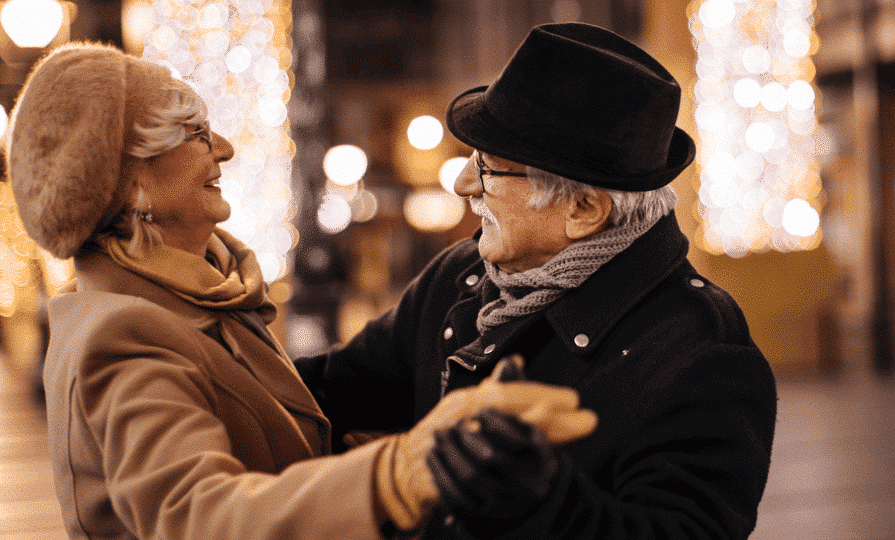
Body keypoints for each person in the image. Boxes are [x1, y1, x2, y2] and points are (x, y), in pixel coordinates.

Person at [7, 42, 596, 540]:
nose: (225, 149)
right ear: (135, 185)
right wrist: (401, 472)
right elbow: (199, 516)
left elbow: (289, 439)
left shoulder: (202, 296)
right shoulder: (126, 334)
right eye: (194, 134)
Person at [295, 23, 778, 539]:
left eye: (488, 168)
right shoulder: (461, 278)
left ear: (583, 208)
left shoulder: (702, 351)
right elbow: (325, 396)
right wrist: (213, 358)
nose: (462, 184)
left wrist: (543, 504)